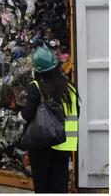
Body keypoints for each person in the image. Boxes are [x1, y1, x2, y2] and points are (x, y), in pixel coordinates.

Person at [21, 47, 79, 193]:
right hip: (64, 144)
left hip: (42, 145)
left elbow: (27, 115)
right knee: (59, 187)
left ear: (38, 69)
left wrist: (20, 114)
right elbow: (77, 114)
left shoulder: (36, 87)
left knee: (42, 187)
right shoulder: (70, 88)